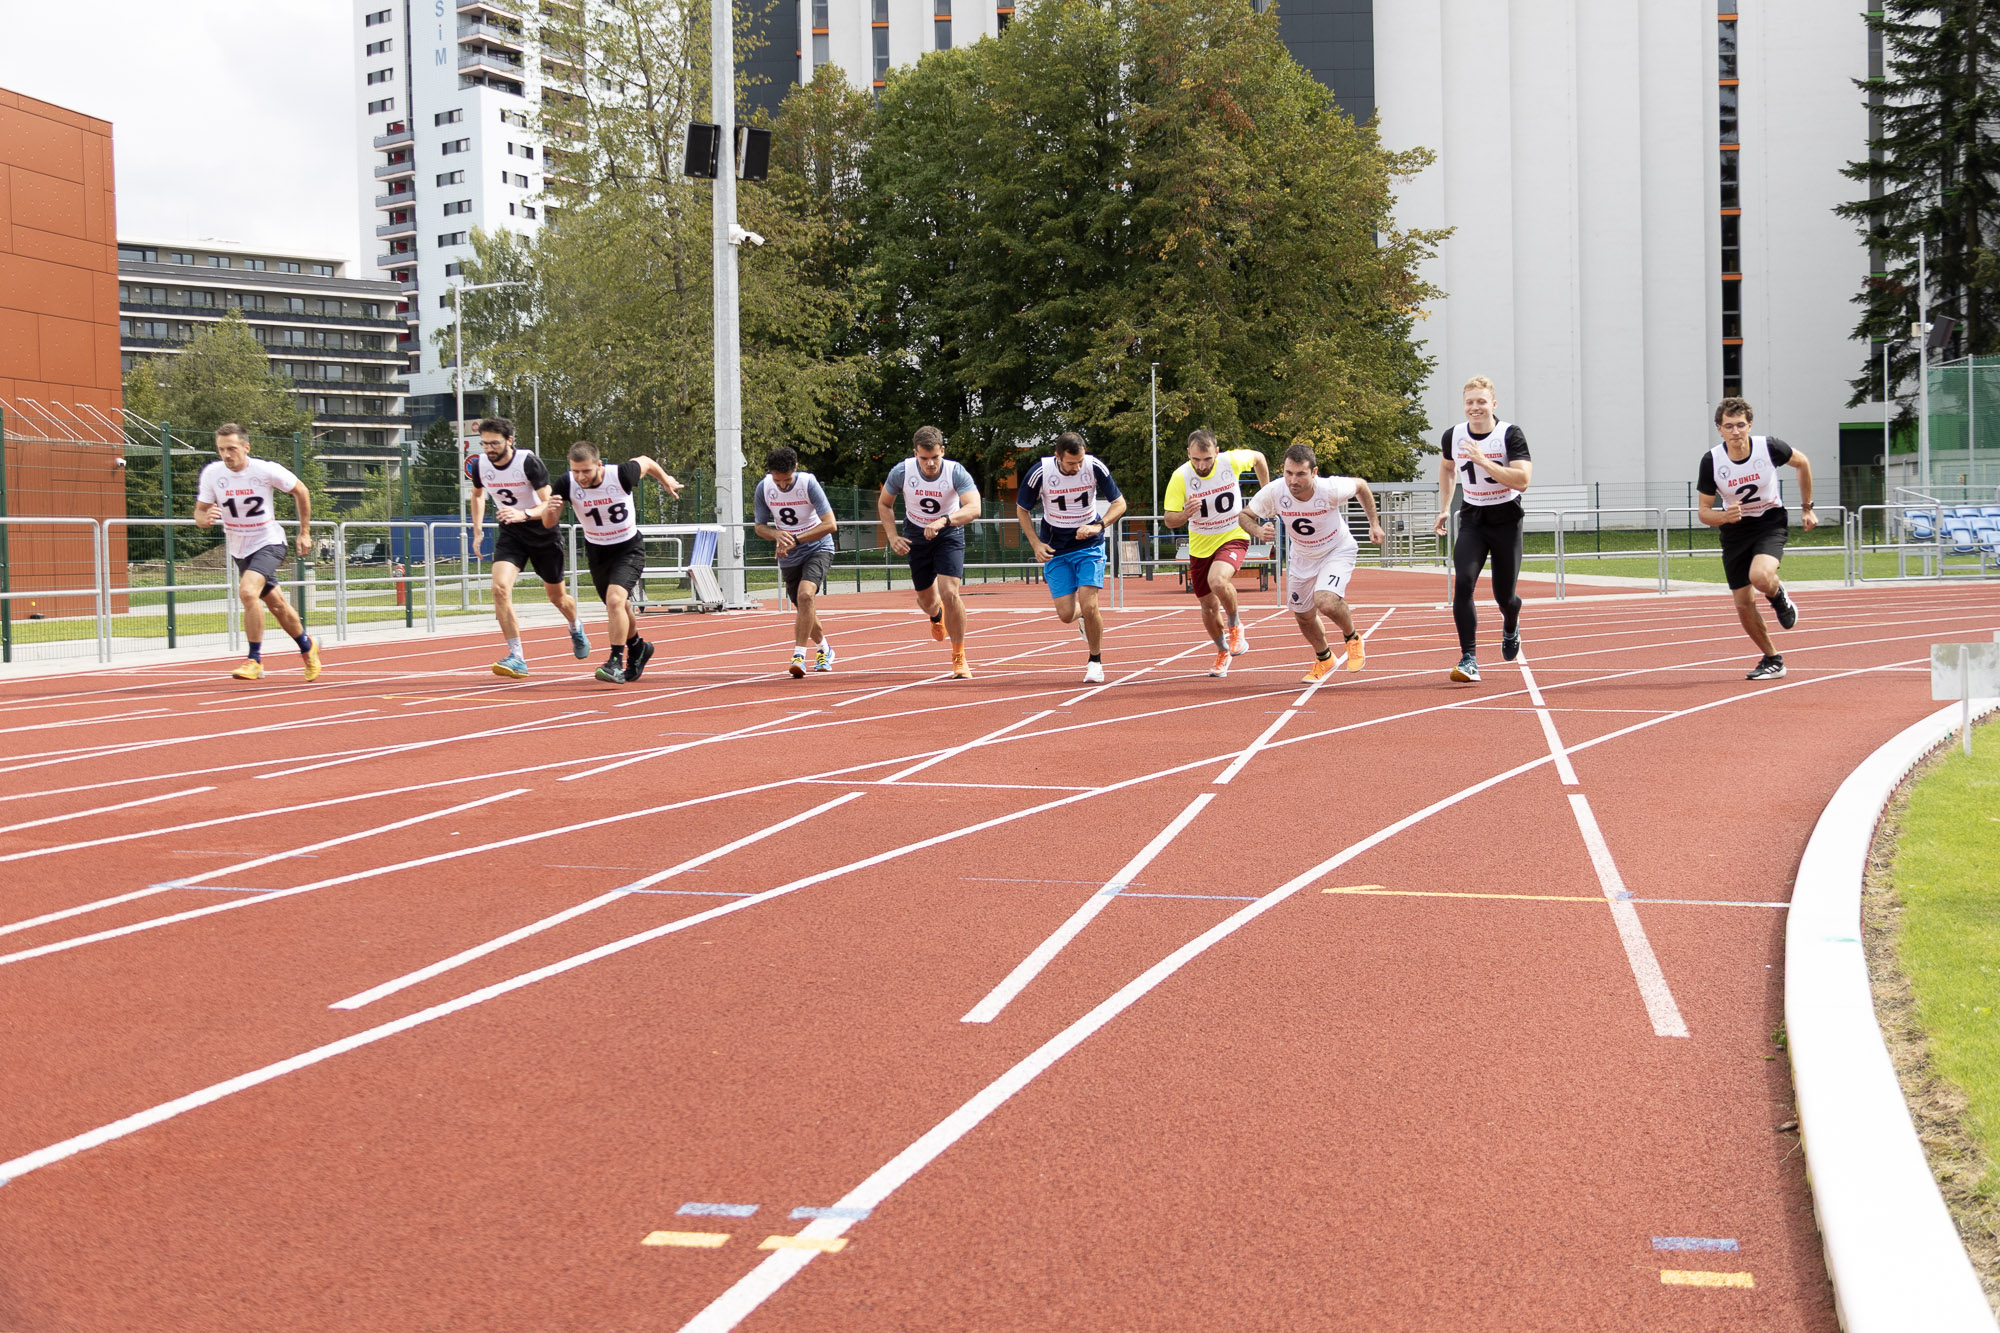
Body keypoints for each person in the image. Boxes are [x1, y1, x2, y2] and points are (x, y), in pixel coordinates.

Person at [1237, 444, 1385, 683]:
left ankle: (1352, 638)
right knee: (1303, 614)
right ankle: (1324, 657)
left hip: (1336, 549)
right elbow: (1244, 515)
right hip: (1302, 556)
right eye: (1288, 473)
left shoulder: (1330, 489)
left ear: (1314, 472)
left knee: (1325, 601)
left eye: (1300, 474)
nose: (1293, 480)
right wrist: (1257, 530)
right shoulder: (1275, 491)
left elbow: (1361, 485)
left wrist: (1374, 524)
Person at [1696, 397, 1816, 680]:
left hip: (1769, 522)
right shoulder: (1712, 461)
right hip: (1735, 530)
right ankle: (1773, 659)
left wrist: (1807, 508)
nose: (1735, 431)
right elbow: (1703, 512)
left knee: (1760, 576)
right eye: (1728, 426)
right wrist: (1724, 516)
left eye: (1740, 425)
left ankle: (1778, 594)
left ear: (1750, 425)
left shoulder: (1769, 447)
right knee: (1742, 603)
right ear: (1719, 428)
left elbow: (1802, 463)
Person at [543, 441, 683, 683]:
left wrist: (665, 480)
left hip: (628, 549)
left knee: (615, 599)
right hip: (598, 552)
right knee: (619, 606)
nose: (581, 477)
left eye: (586, 471)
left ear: (599, 465)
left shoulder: (620, 474)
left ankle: (615, 663)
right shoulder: (566, 483)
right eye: (575, 471)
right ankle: (638, 647)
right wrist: (551, 510)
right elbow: (548, 523)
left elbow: (646, 461)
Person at [194, 423, 321, 683]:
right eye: (221, 449)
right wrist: (203, 519)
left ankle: (254, 660)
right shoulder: (212, 473)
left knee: (247, 592)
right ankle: (308, 647)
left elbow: (301, 490)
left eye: (232, 448)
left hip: (269, 542)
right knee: (277, 605)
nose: (226, 454)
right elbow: (199, 511)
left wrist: (304, 532)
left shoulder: (265, 470)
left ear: (246, 448)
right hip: (239, 548)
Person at [465, 416, 589, 678]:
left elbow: (551, 503)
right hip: (511, 534)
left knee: (557, 598)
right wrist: (477, 531)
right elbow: (477, 495)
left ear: (509, 440)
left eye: (494, 443)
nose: (489, 449)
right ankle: (517, 657)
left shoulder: (528, 462)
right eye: (484, 443)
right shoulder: (480, 465)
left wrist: (524, 514)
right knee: (499, 589)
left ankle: (575, 626)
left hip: (543, 533)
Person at [1433, 375, 1533, 683]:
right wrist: (1445, 507)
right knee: (1463, 582)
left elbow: (1522, 481)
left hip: (1506, 520)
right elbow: (1447, 467)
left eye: (1481, 401)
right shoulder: (1453, 435)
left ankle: (1511, 622)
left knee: (1505, 597)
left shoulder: (1510, 434)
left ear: (1493, 404)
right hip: (1473, 519)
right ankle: (1469, 659)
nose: (1474, 407)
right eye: (1469, 402)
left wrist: (1484, 461)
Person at [1015, 432, 1128, 684]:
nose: (1076, 468)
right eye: (1070, 463)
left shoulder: (1094, 467)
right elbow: (1022, 509)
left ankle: (1095, 662)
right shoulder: (1040, 473)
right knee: (1066, 614)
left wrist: (1098, 526)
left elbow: (1120, 504)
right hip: (1056, 547)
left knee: (1090, 604)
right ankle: (1084, 619)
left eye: (1079, 462)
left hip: (1089, 545)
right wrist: (1036, 544)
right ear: (1057, 456)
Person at [1161, 429, 1269, 678]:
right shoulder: (1181, 476)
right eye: (1196, 459)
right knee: (1208, 607)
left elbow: (1259, 458)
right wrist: (1185, 514)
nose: (1202, 465)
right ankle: (1222, 651)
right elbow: (1169, 520)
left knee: (1218, 581)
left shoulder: (1230, 461)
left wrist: (1266, 496)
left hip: (1233, 534)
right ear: (1188, 454)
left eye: (1207, 459)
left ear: (1217, 452)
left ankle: (1235, 625)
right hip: (1200, 545)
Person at [877, 426, 981, 679]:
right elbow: (884, 503)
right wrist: (892, 536)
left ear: (942, 451)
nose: (931, 463)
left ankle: (959, 656)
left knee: (950, 592)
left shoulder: (955, 471)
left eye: (935, 457)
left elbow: (974, 508)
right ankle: (936, 615)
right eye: (924, 458)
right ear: (916, 454)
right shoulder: (902, 471)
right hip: (915, 533)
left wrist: (944, 521)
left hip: (948, 532)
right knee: (927, 602)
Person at [754, 446, 839, 677]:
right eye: (777, 480)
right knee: (803, 606)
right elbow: (759, 527)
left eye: (787, 480)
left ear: (796, 469)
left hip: (818, 547)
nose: (782, 485)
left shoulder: (808, 483)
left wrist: (796, 539)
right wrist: (776, 535)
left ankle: (798, 657)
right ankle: (824, 649)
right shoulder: (764, 487)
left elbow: (830, 524)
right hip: (789, 554)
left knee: (805, 595)